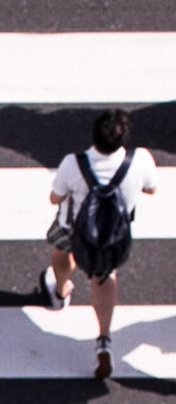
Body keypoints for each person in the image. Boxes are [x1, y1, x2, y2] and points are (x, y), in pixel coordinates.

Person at [42, 109, 159, 382]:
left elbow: (54, 197)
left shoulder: (74, 163)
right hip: (113, 235)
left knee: (62, 252)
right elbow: (152, 188)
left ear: (92, 135)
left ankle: (60, 292)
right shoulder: (140, 160)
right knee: (104, 278)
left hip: (75, 229)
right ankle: (104, 339)